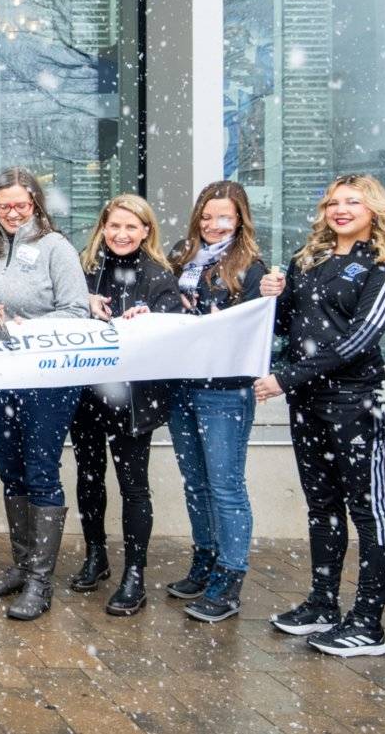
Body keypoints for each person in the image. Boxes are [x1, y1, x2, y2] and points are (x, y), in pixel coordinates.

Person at [257, 173, 385, 658]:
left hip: (357, 400)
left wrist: (288, 376)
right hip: (309, 402)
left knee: (369, 510)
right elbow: (286, 326)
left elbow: (362, 338)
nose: (340, 210)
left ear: (374, 210)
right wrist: (271, 295)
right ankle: (323, 603)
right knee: (321, 505)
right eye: (332, 203)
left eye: (353, 202)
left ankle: (367, 623)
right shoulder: (309, 261)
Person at [0, 167, 90, 621]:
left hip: (47, 377)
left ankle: (40, 581)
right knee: (9, 466)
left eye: (20, 205)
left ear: (35, 204)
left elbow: (77, 310)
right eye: (4, 205)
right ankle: (21, 564)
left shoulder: (57, 248)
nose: (12, 213)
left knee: (40, 470)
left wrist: (29, 328)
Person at [164, 180, 282, 623]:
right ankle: (205, 559)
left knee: (226, 486)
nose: (214, 225)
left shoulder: (252, 266)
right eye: (207, 217)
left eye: (225, 217)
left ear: (241, 220)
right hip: (180, 386)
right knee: (194, 482)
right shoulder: (180, 255)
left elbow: (256, 327)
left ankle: (230, 578)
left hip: (225, 391)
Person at [65, 194, 183, 617]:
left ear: (146, 231)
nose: (121, 234)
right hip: (88, 396)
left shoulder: (159, 276)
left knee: (133, 486)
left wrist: (149, 320)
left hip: (134, 401)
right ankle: (96, 555)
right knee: (89, 477)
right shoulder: (86, 271)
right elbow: (65, 317)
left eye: (131, 227)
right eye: (114, 226)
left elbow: (173, 333)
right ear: (103, 228)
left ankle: (135, 574)